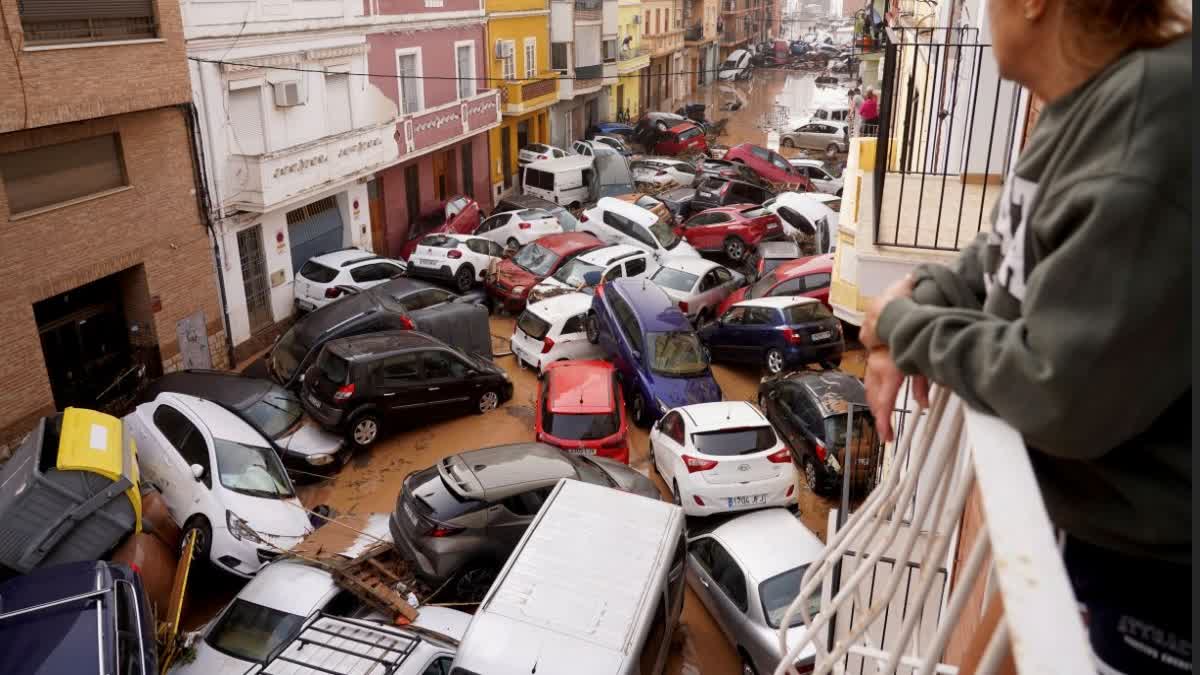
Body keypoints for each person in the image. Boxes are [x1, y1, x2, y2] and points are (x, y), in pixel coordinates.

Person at [858, 1, 1191, 673]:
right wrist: (925, 293)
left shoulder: (1143, 127)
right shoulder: (1086, 103)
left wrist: (902, 326)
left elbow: (1059, 391)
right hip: (1105, 538)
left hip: (1161, 582)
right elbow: (1003, 251)